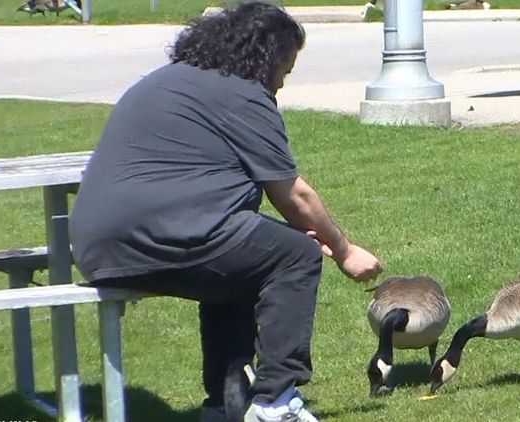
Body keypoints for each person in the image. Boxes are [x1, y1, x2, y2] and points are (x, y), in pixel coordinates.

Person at [67, 3, 384, 422]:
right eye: (283, 72)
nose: (280, 86)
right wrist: (344, 252)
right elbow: (295, 197)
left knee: (246, 263)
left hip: (98, 249)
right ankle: (276, 401)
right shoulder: (243, 95)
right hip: (162, 236)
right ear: (266, 59)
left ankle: (225, 405)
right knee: (296, 255)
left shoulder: (169, 80)